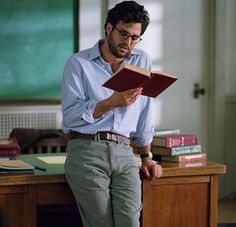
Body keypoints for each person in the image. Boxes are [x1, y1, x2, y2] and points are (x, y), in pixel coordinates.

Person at [61, 1, 163, 227]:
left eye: (134, 37)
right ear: (109, 28)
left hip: (125, 153)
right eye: (123, 33)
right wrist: (110, 103)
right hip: (87, 151)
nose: (128, 42)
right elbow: (69, 117)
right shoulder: (78, 64)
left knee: (130, 223)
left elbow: (145, 109)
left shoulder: (141, 60)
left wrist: (147, 156)